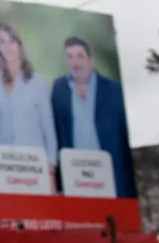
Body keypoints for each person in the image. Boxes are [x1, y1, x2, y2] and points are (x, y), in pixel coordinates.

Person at [50, 37, 137, 198]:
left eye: (79, 56)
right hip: (75, 177)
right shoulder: (59, 88)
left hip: (111, 176)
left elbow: (125, 135)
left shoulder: (113, 90)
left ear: (91, 60)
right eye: (70, 56)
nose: (75, 62)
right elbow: (55, 132)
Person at [0, 22, 58, 186]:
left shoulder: (38, 83)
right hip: (4, 162)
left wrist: (51, 167)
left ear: (19, 44)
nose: (7, 46)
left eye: (12, 41)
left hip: (33, 163)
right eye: (2, 41)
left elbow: (48, 129)